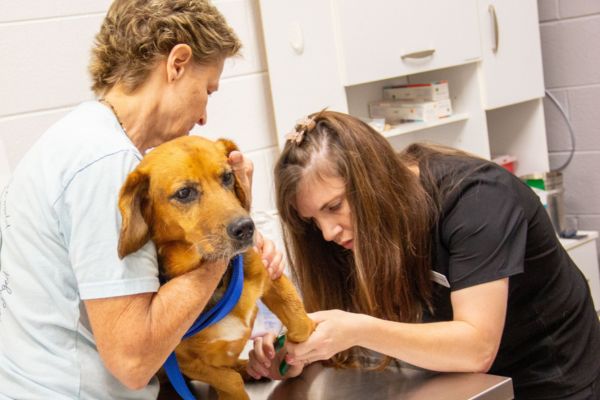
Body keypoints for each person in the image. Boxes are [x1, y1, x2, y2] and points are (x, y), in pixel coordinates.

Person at [0, 1, 285, 398]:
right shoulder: (106, 165)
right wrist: (225, 240)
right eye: (207, 90)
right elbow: (133, 360)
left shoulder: (72, 140)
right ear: (178, 63)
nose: (204, 116)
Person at [247, 110, 600, 399]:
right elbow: (345, 323)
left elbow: (476, 348)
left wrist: (355, 329)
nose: (327, 232)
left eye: (335, 206)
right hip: (463, 382)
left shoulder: (476, 200)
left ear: (372, 181)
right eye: (313, 221)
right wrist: (299, 351)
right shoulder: (351, 233)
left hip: (554, 376)